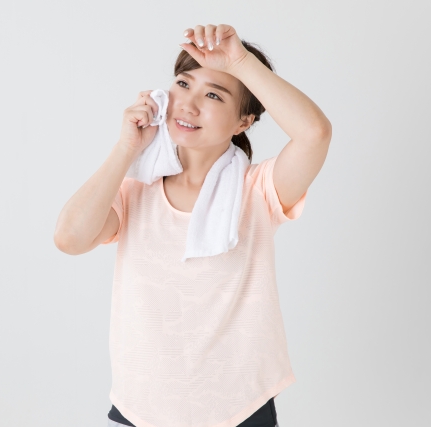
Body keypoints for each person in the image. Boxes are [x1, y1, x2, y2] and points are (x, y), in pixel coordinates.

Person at [54, 23, 331, 427]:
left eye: (214, 94)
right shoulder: (135, 189)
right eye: (183, 84)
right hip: (141, 408)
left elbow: (314, 134)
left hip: (239, 407)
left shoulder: (258, 191)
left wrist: (240, 61)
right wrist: (126, 149)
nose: (189, 104)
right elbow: (69, 238)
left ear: (243, 122)